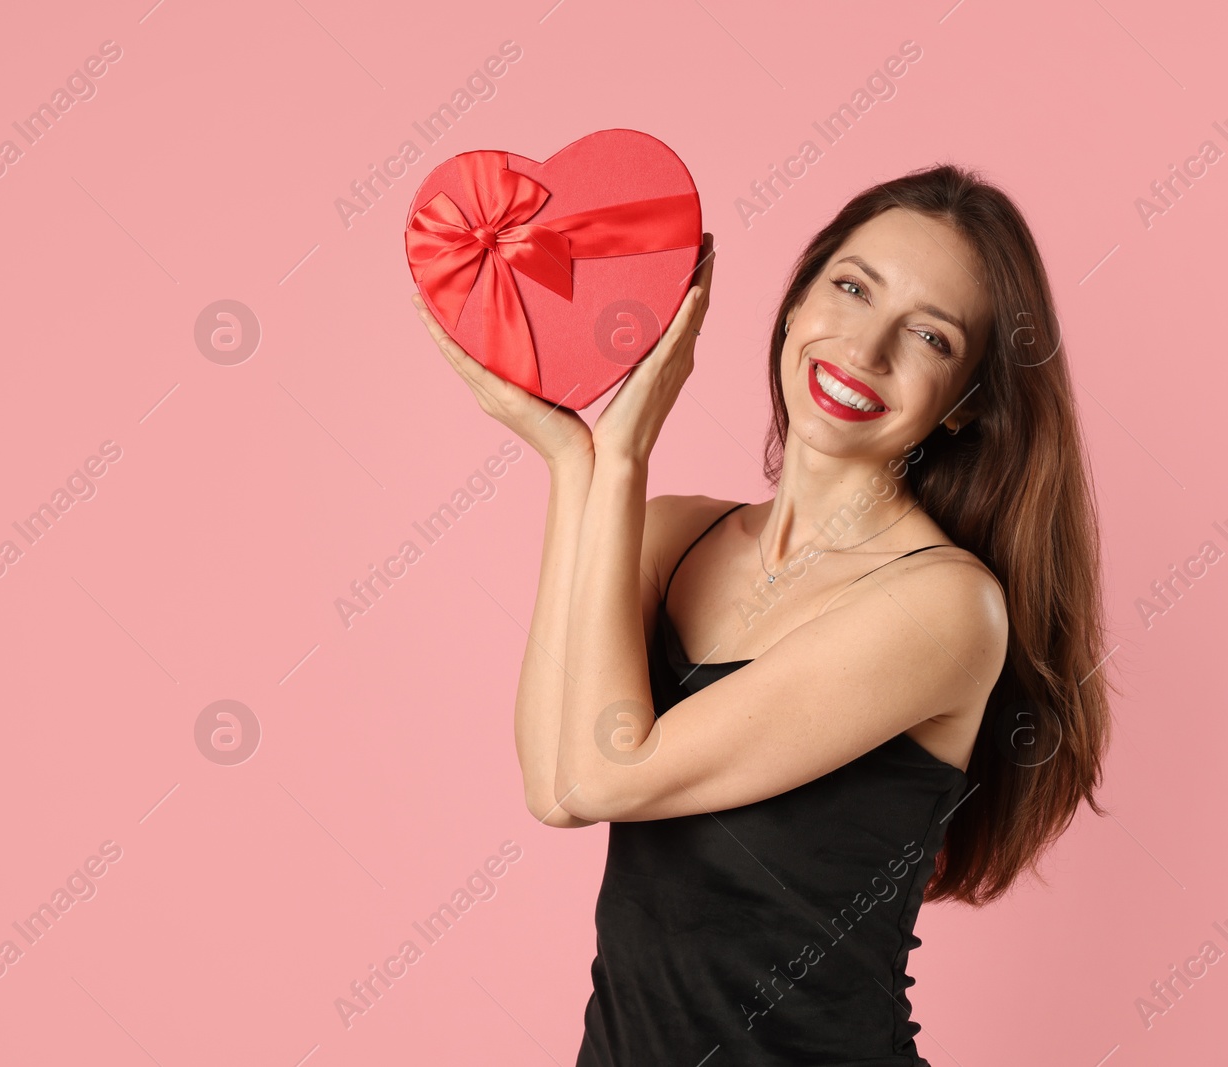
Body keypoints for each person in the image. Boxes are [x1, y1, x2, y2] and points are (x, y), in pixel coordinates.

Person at [412, 162, 1112, 1065]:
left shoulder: (945, 606)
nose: (865, 348)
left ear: (966, 405)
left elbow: (603, 775)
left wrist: (623, 453)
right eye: (851, 288)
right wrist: (573, 464)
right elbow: (555, 787)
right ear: (795, 301)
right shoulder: (673, 536)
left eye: (930, 337)